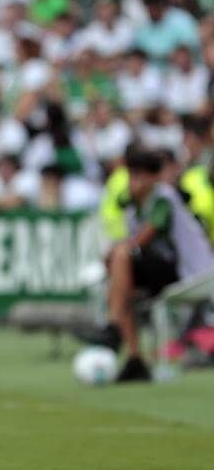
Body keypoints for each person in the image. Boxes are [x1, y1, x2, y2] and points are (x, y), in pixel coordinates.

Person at [86, 149, 214, 382]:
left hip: (184, 272)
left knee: (122, 255)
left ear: (153, 177)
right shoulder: (133, 204)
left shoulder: (163, 198)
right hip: (159, 269)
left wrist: (117, 252)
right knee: (120, 276)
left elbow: (143, 239)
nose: (133, 182)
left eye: (138, 176)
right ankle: (135, 359)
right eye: (131, 175)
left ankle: (113, 327)